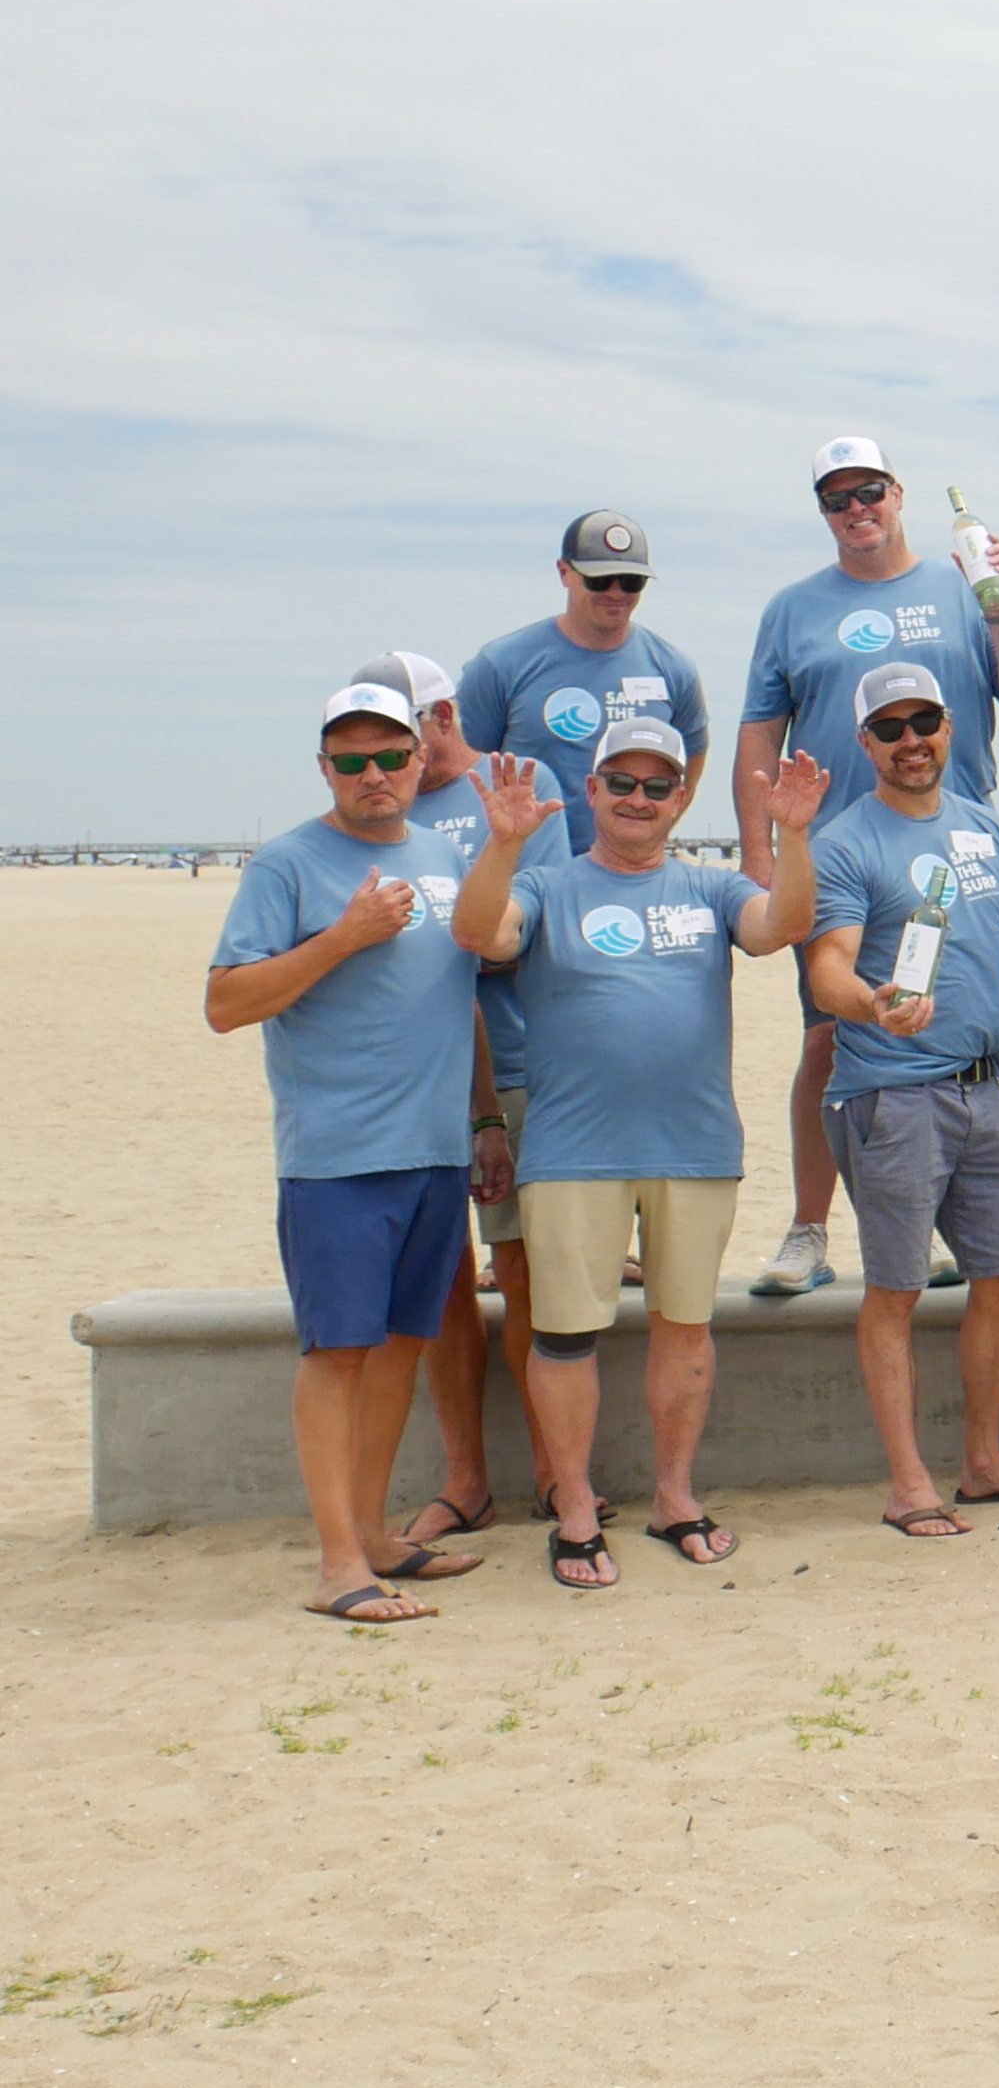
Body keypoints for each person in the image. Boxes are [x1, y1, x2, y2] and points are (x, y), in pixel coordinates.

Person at [453, 722, 824, 1583]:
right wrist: (503, 844)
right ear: (592, 791)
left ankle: (674, 1498)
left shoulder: (711, 887)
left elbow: (782, 926)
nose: (638, 799)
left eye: (658, 786)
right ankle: (576, 1510)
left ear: (680, 800)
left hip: (695, 1147)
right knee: (563, 1337)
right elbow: (480, 934)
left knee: (684, 1330)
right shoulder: (547, 885)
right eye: (620, 782)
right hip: (571, 1153)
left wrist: (793, 836)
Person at [741, 432, 999, 1300]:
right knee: (829, 1034)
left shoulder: (963, 586)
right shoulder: (791, 608)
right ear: (823, 512)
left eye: (869, 490)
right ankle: (810, 1228)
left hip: (956, 853)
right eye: (836, 498)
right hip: (840, 857)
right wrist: (761, 857)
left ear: (899, 492)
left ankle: (940, 1219)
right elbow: (759, 736)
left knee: (961, 1028)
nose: (857, 509)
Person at [208, 679, 496, 1623]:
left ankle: (374, 1536)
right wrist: (343, 938)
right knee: (337, 1353)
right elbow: (226, 1003)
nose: (373, 774)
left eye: (391, 755)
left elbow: (460, 999)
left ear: (421, 759)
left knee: (403, 1347)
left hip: (436, 1154)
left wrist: (486, 1122)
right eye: (351, 760)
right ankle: (338, 1566)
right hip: (336, 1159)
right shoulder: (287, 864)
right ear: (325, 768)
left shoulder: (443, 855)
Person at [802, 663, 999, 1534]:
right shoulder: (844, 844)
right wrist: (871, 1003)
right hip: (892, 1097)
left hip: (987, 1093)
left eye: (925, 723)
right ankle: (909, 1483)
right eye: (891, 729)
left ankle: (982, 1462)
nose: (911, 742)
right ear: (866, 742)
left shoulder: (985, 826)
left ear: (949, 728)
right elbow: (827, 965)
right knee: (896, 1289)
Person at [352, 651, 563, 1555]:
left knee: (520, 1270)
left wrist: (463, 934)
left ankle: (553, 1466)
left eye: (403, 739)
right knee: (438, 1283)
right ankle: (467, 1479)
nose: (389, 762)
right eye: (370, 748)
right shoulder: (379, 813)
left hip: (513, 1064)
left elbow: (525, 930)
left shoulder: (517, 782)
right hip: (413, 1078)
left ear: (443, 717)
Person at [458, 510, 712, 859]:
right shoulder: (501, 664)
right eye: (599, 580)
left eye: (630, 581)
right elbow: (464, 769)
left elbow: (691, 758)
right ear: (564, 572)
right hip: (525, 869)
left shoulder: (673, 669)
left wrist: (647, 836)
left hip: (626, 872)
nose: (616, 592)